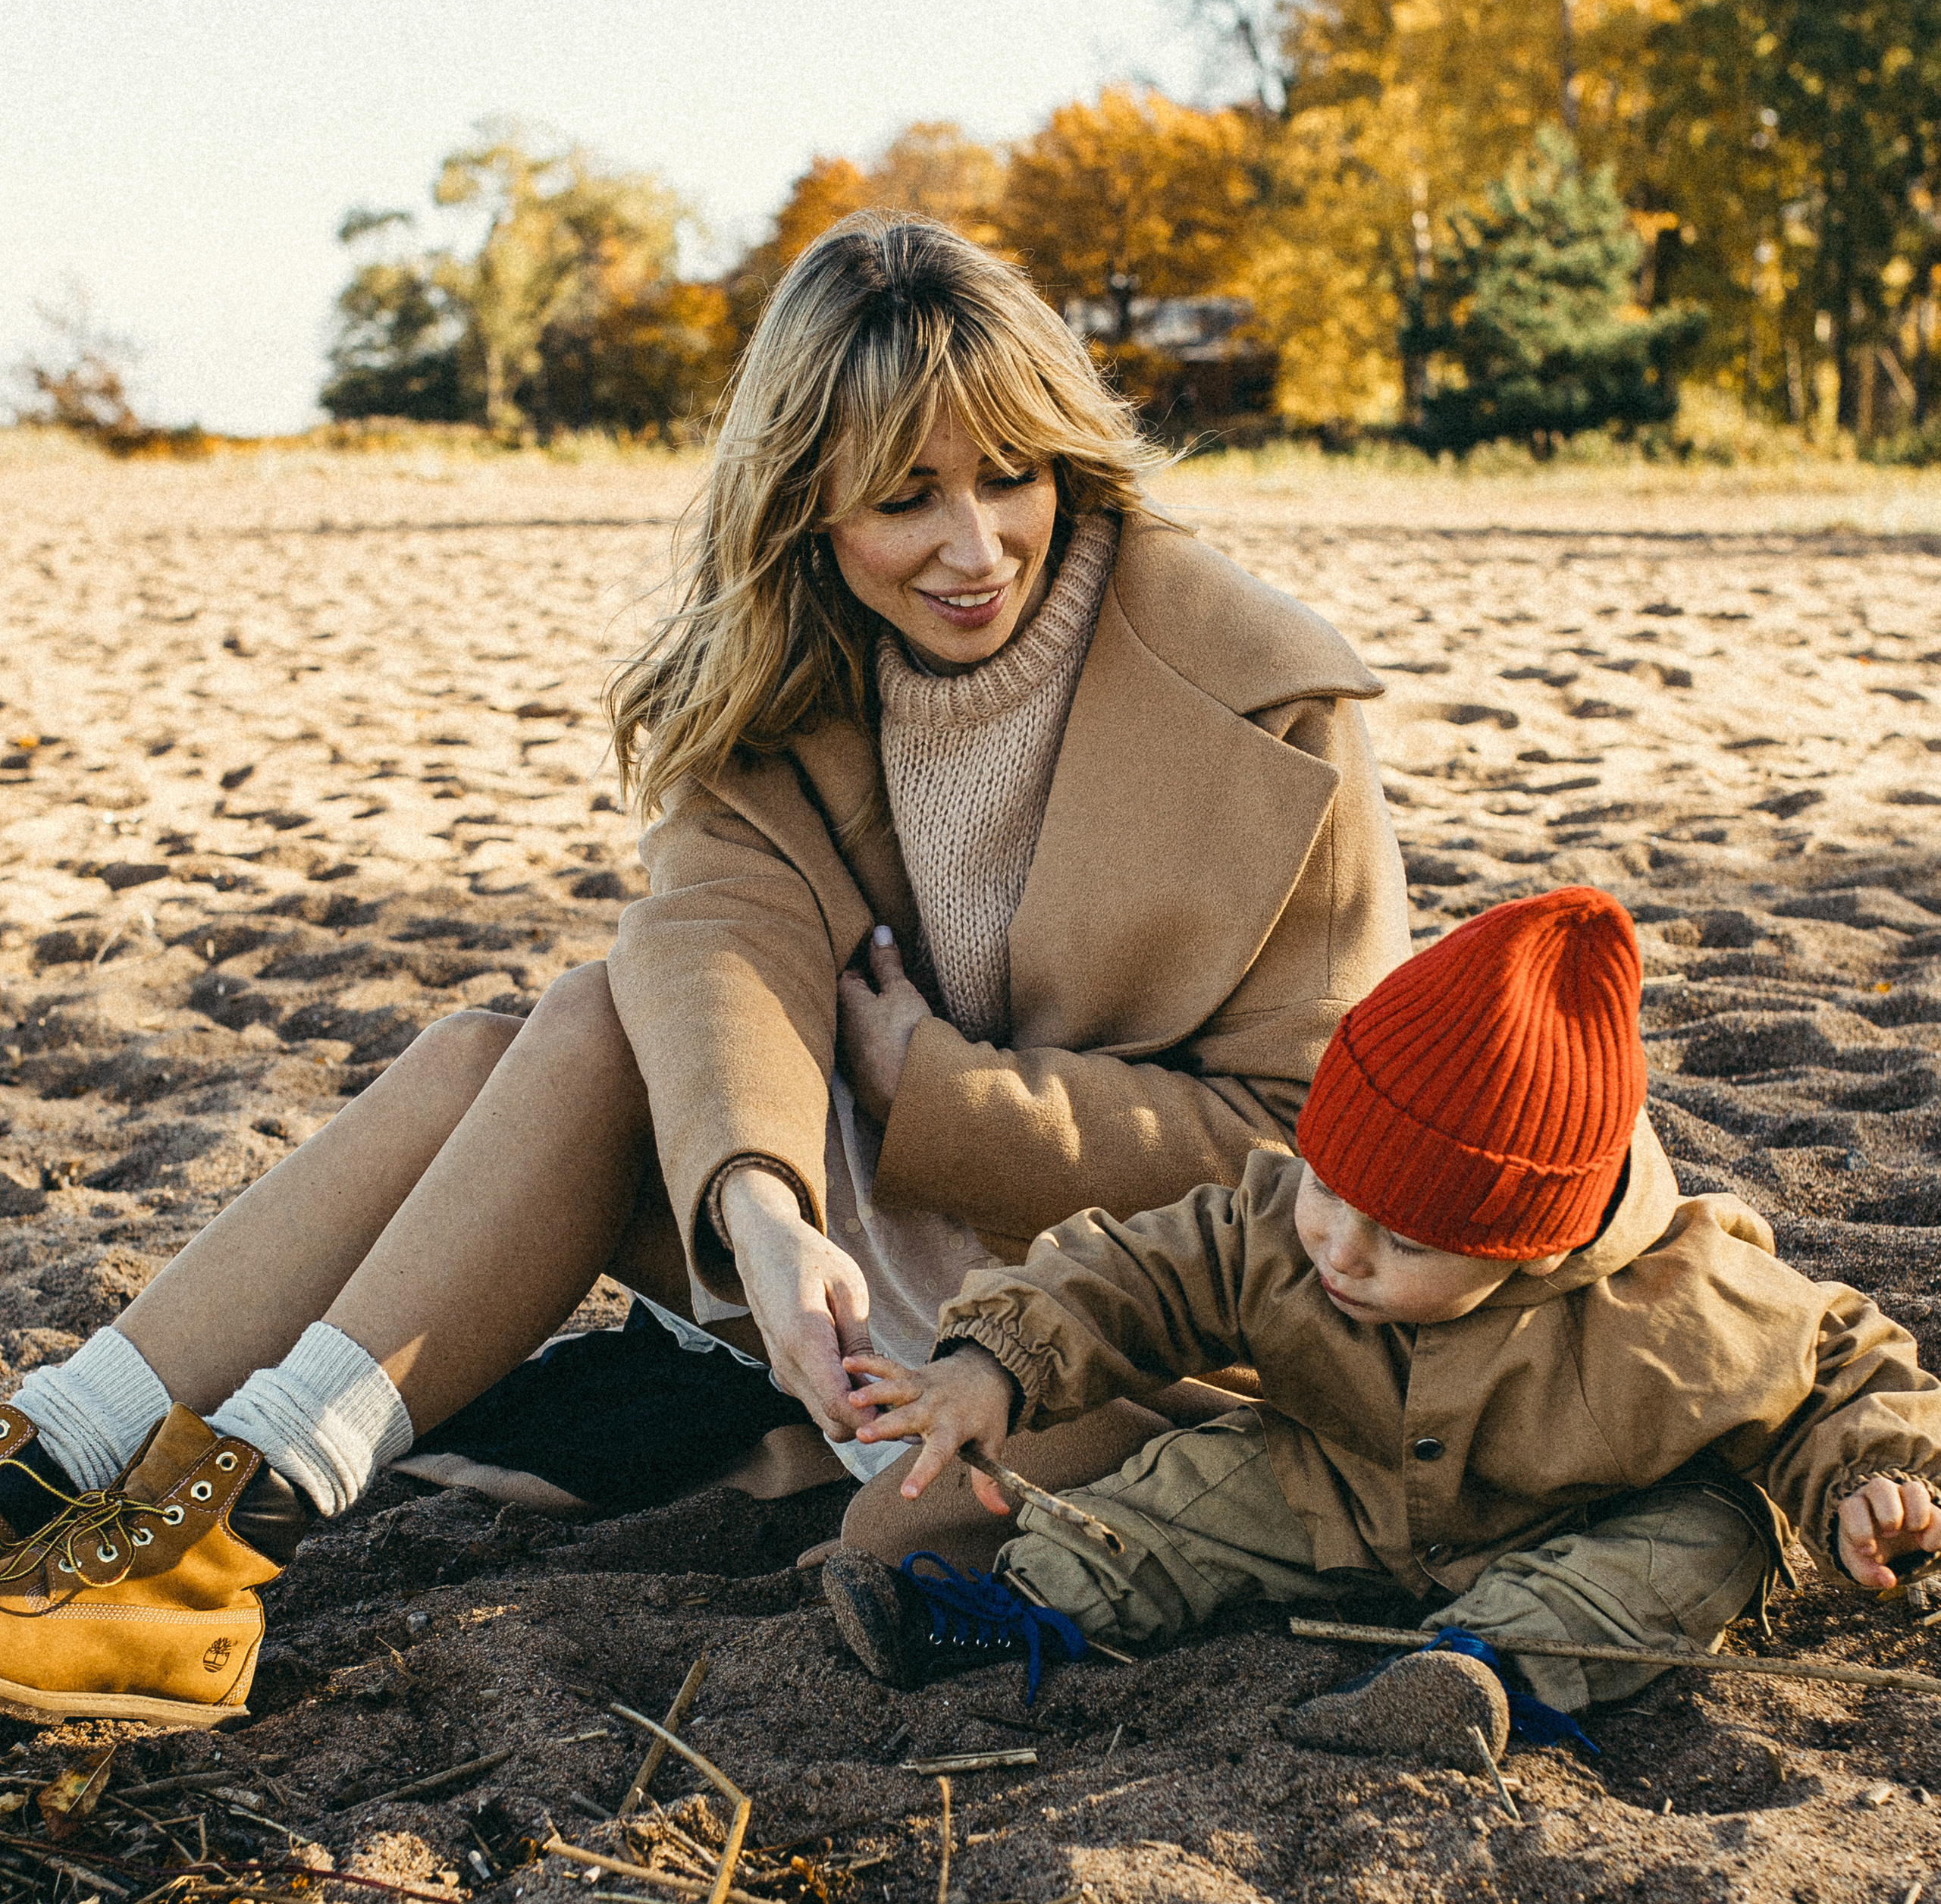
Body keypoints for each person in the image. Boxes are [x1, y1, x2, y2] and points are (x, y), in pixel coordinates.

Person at [0, 214, 1410, 1728]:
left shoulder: (1266, 704)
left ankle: (221, 1543)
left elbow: (1303, 1160)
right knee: (553, 1029)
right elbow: (704, 943)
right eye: (903, 497)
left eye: (1011, 473)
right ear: (809, 505)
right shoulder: (790, 673)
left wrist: (939, 1093)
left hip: (1106, 1344)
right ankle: (52, 1457)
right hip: (845, 1278)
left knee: (568, 1034)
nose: (975, 544)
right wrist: (761, 1209)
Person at [822, 887, 1941, 1768]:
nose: (1340, 1249)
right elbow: (1133, 1275)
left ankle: (1481, 1677)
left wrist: (1873, 1478)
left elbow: (1837, 1361)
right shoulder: (1289, 1227)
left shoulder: (1680, 1306)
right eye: (1327, 1187)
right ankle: (1012, 1606)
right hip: (1347, 1486)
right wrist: (994, 1365)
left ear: (1530, 1248)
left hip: (1592, 1518)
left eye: (1405, 1242)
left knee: (1706, 1545)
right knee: (1185, 1491)